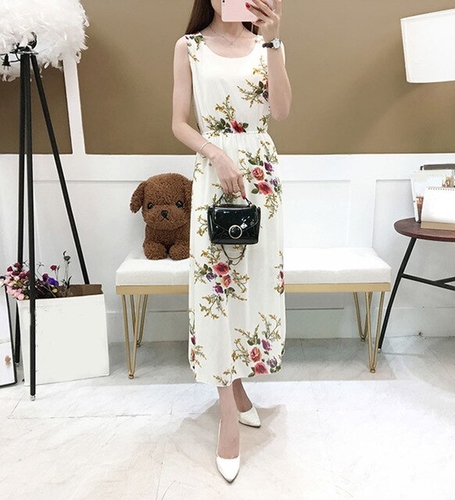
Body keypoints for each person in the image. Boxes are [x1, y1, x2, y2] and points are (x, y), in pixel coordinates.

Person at [172, 0, 291, 482]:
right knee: (216, 292)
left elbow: (281, 111)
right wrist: (217, 154)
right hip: (214, 174)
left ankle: (240, 390)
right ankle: (227, 414)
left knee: (254, 288)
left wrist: (275, 40)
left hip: (261, 176)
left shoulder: (267, 45)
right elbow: (179, 122)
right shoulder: (189, 47)